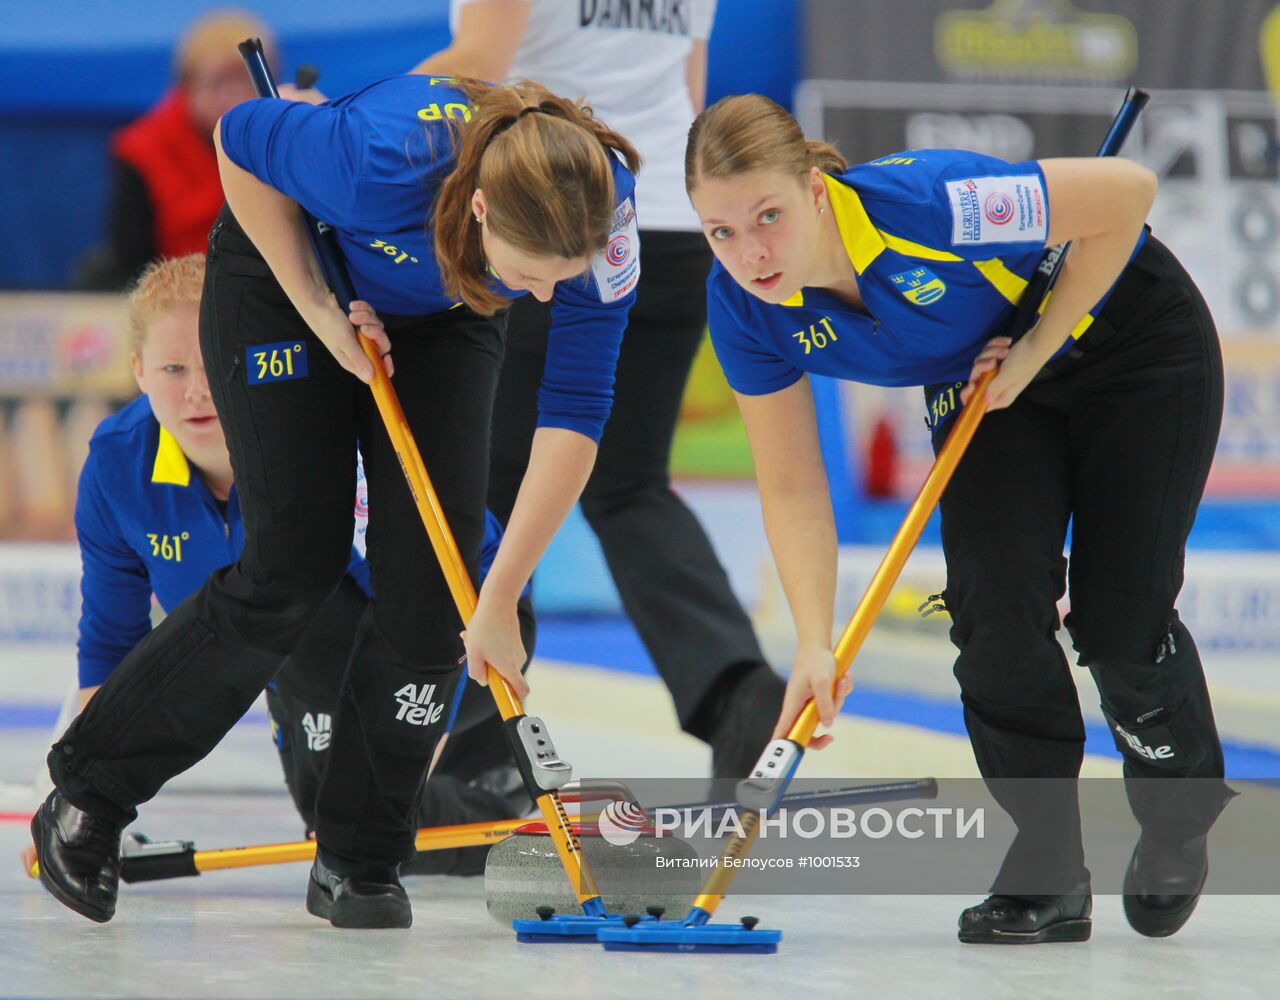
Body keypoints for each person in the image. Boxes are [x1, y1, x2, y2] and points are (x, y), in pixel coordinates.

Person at [33, 75, 641, 930]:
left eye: (560, 279)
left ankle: (358, 855)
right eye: (533, 275)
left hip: (449, 308)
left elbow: (576, 413)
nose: (546, 297)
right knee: (292, 564)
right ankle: (88, 796)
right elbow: (241, 139)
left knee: (439, 598)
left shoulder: (602, 214)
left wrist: (499, 596)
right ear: (476, 211)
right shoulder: (381, 163)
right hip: (285, 283)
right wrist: (322, 314)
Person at [684, 94, 1235, 943]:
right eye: (720, 232)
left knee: (1120, 623)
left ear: (816, 190)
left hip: (1135, 348)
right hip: (995, 389)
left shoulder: (931, 205)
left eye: (768, 215)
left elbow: (1127, 191)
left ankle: (1177, 804)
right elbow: (793, 486)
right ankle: (1046, 864)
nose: (750, 253)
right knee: (991, 610)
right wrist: (811, 642)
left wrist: (1038, 345)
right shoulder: (746, 307)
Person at [20, 254, 533, 880]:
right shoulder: (116, 468)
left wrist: (396, 776)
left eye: (214, 364)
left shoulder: (327, 445)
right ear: (137, 370)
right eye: (173, 368)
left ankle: (509, 799)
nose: (198, 392)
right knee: (330, 812)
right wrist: (82, 803)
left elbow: (431, 612)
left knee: (368, 816)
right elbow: (110, 649)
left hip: (472, 630)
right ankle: (496, 793)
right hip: (296, 666)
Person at [414, 0, 785, 779]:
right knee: (631, 484)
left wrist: (344, 121)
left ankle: (476, 763)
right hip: (674, 223)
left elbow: (476, 62)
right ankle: (736, 690)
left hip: (549, 219)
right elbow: (689, 99)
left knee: (495, 491)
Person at [74, 11, 273, 290]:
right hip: (176, 297)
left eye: (245, 81)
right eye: (218, 83)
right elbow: (132, 263)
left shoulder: (285, 144)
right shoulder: (143, 151)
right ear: (187, 85)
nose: (234, 97)